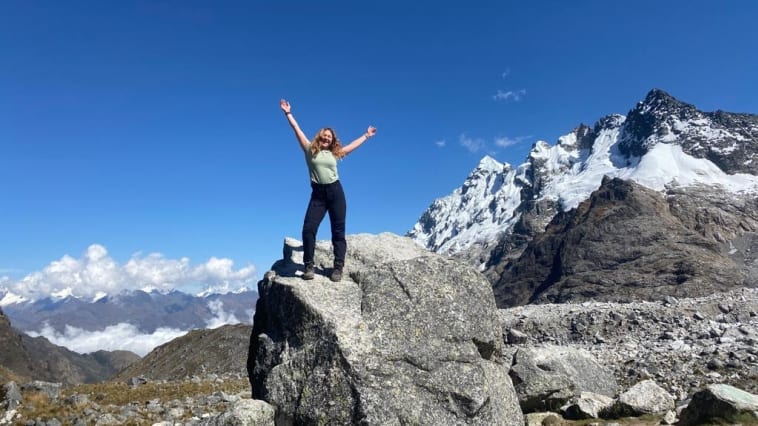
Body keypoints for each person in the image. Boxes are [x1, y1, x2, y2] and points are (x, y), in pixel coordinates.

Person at [280, 98, 377, 281]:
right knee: (308, 229)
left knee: (338, 231)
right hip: (318, 195)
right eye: (324, 135)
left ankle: (338, 268)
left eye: (329, 137)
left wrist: (366, 135)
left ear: (332, 141)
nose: (326, 138)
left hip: (335, 193)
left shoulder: (335, 154)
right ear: (319, 137)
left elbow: (351, 148)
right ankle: (308, 266)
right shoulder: (309, 150)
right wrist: (288, 113)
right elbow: (297, 129)